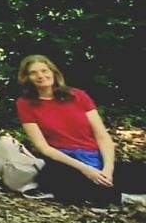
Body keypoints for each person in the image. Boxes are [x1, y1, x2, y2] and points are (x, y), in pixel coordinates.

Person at [16, 55, 146, 206]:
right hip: (64, 161)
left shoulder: (77, 95)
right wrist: (86, 170)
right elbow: (43, 147)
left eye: (44, 70)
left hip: (94, 158)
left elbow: (102, 136)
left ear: (53, 72)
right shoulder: (25, 104)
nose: (40, 76)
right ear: (27, 78)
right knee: (56, 178)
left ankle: (105, 192)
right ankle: (125, 198)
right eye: (33, 73)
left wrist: (108, 169)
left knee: (139, 172)